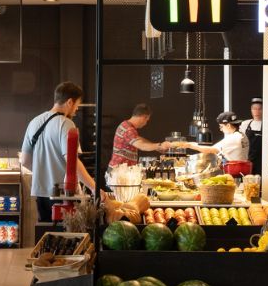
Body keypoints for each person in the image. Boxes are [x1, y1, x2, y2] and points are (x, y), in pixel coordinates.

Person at [20, 81, 96, 220]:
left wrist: (44, 172)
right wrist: (93, 187)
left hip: (41, 195)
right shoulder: (66, 123)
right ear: (69, 102)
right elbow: (72, 162)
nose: (76, 109)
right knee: (66, 232)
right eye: (77, 105)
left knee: (46, 231)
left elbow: (24, 160)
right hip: (63, 195)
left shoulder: (34, 122)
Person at [173, 111, 251, 177]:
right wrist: (190, 143)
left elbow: (210, 150)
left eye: (221, 126)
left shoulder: (232, 138)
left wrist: (189, 145)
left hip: (235, 173)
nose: (221, 130)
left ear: (228, 125)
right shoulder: (242, 135)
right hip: (242, 172)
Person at [109, 103, 169, 169]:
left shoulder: (126, 125)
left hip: (120, 169)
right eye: (147, 120)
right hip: (118, 171)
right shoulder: (128, 129)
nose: (146, 123)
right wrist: (160, 145)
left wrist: (157, 148)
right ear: (143, 117)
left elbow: (139, 139)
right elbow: (141, 145)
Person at [240, 97, 268, 176]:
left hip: (262, 164)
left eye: (260, 109)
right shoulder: (244, 124)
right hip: (246, 163)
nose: (257, 111)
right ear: (251, 109)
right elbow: (240, 145)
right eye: (254, 109)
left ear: (264, 110)